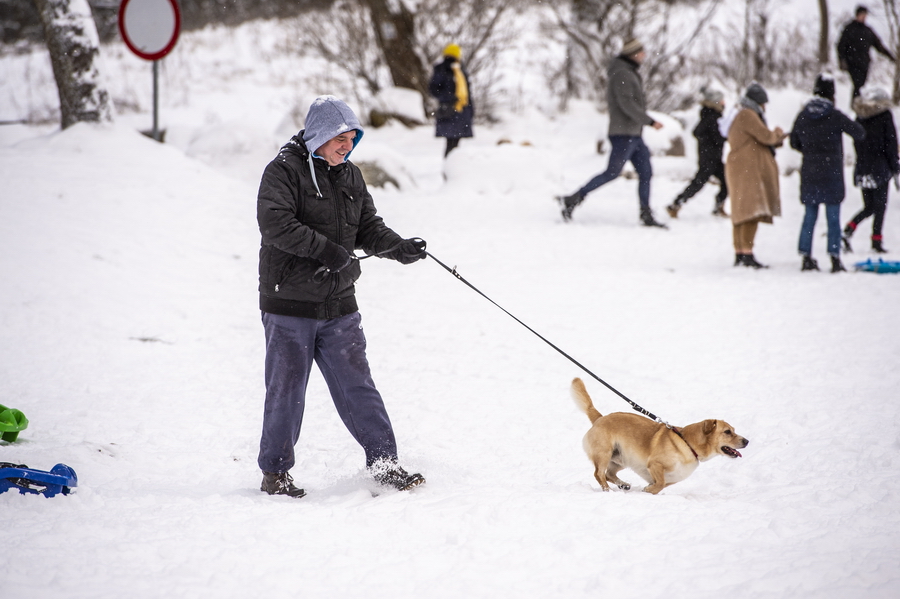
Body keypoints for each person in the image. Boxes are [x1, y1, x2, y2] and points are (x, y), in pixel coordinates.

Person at [255, 95, 428, 498]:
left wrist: (398, 248)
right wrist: (328, 251)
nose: (347, 147)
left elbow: (368, 226)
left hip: (338, 303)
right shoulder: (283, 171)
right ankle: (275, 473)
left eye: (352, 138)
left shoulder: (349, 175)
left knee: (358, 386)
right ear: (318, 136)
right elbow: (275, 224)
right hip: (290, 303)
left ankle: (384, 463)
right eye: (340, 139)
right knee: (287, 391)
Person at [556, 38, 667, 227]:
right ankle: (573, 198)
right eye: (641, 52)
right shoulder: (622, 73)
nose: (644, 56)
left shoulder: (629, 72)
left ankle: (646, 214)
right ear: (633, 54)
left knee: (646, 172)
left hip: (634, 134)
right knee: (612, 173)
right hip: (623, 133)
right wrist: (649, 121)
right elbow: (627, 104)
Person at [789, 74, 865, 273]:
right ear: (832, 94)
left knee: (809, 216)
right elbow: (859, 132)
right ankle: (835, 259)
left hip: (810, 172)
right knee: (833, 218)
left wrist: (810, 149)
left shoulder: (803, 115)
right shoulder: (835, 115)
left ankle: (806, 256)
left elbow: (793, 142)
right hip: (831, 173)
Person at [725, 82, 787, 269]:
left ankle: (740, 253)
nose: (765, 108)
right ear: (758, 102)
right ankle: (747, 254)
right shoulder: (747, 115)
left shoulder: (742, 114)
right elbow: (766, 137)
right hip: (747, 171)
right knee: (751, 212)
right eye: (763, 104)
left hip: (742, 168)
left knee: (741, 213)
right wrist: (778, 133)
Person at [844, 85, 898, 253]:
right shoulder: (885, 116)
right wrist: (895, 167)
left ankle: (849, 229)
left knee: (869, 206)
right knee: (880, 207)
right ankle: (876, 241)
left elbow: (857, 141)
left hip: (863, 167)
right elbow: (890, 144)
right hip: (880, 167)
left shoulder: (859, 117)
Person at [666, 86, 729, 219]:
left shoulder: (710, 115)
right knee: (699, 183)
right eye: (722, 101)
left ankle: (718, 207)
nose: (724, 104)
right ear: (716, 102)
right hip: (709, 158)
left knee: (726, 181)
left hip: (713, 157)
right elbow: (716, 137)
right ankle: (676, 204)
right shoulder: (712, 117)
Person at [837, 5, 896, 99]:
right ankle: (855, 106)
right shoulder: (849, 29)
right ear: (857, 15)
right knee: (858, 85)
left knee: (861, 87)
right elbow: (841, 46)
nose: (864, 16)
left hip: (864, 63)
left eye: (865, 15)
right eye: (862, 14)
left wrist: (891, 57)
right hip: (852, 62)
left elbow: (879, 46)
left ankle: (858, 106)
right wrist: (842, 60)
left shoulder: (867, 31)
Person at [429, 43, 474, 157]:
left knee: (454, 142)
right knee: (452, 143)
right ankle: (450, 168)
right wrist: (451, 97)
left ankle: (452, 166)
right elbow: (434, 90)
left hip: (460, 110)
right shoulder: (443, 69)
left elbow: (466, 93)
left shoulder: (460, 70)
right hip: (450, 111)